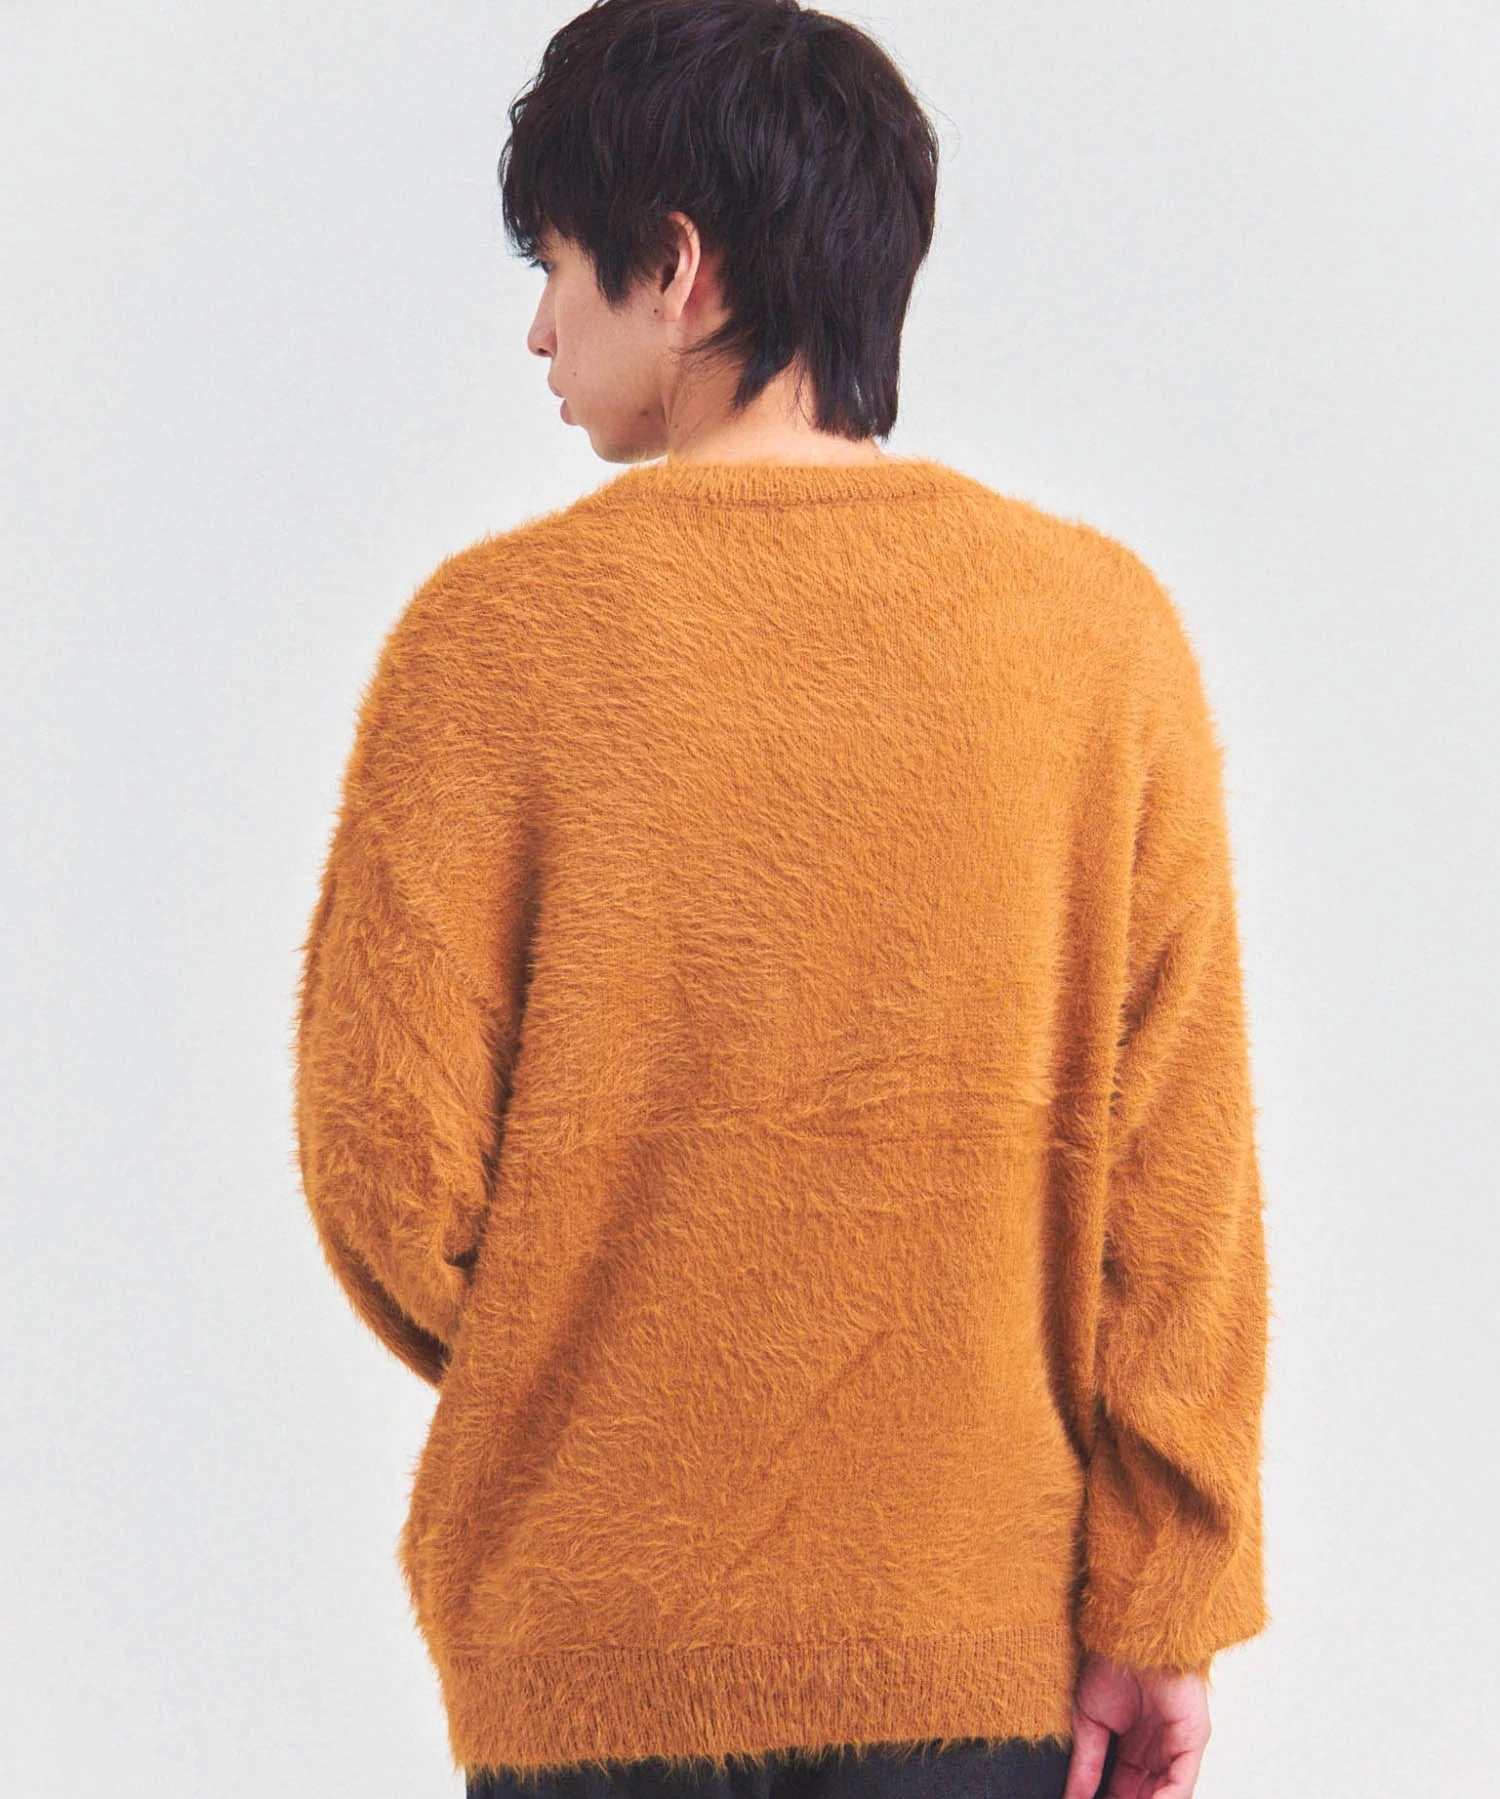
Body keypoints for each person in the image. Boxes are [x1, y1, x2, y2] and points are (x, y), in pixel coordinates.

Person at [291, 5, 1270, 1799]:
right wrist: (1165, 1597)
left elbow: (386, 1174)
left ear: (677, 268)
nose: (537, 328)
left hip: (590, 1643)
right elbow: (1177, 1194)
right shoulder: (1096, 638)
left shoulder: (491, 642)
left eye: (556, 267)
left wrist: (584, 1355)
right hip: (970, 1635)